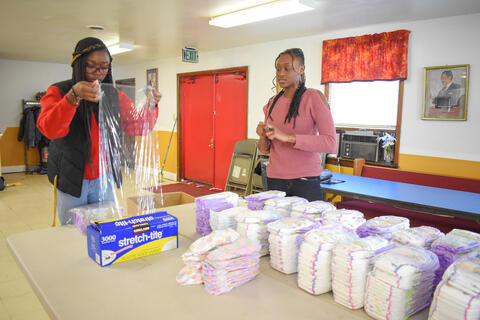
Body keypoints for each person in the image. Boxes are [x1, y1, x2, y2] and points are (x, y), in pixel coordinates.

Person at [38, 37, 162, 225]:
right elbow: (50, 130)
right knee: (73, 232)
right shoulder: (59, 91)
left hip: (105, 177)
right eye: (91, 66)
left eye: (104, 67)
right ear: (78, 65)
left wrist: (151, 105)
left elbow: (138, 126)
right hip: (71, 178)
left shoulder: (113, 94)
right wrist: (73, 97)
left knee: (106, 229)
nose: (98, 72)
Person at [256, 48, 337, 201]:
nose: (281, 73)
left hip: (305, 181)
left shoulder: (313, 97)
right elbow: (264, 149)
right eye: (278, 69)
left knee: (309, 225)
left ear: (301, 69)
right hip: (274, 180)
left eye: (287, 68)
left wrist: (287, 137)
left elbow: (330, 143)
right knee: (275, 224)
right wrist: (262, 136)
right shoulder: (272, 103)